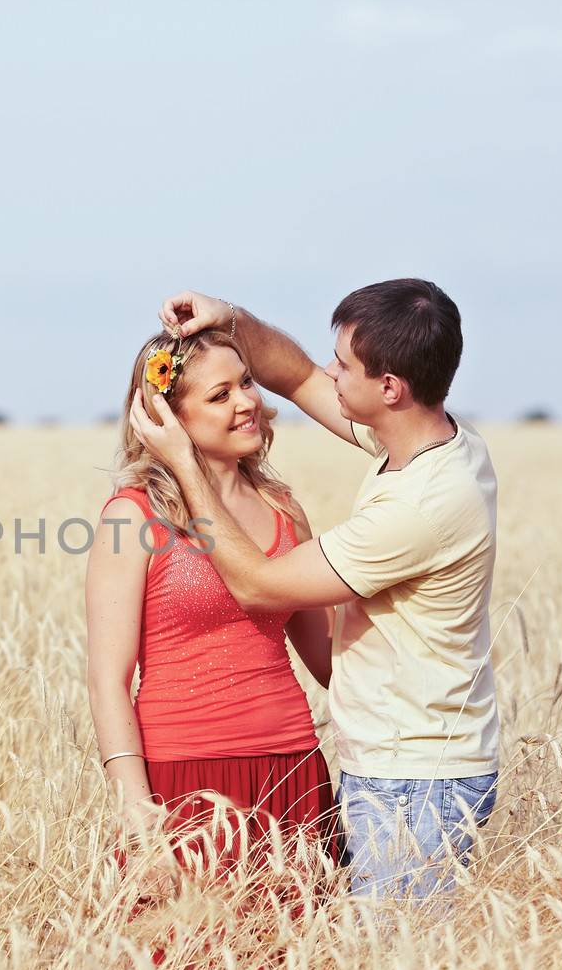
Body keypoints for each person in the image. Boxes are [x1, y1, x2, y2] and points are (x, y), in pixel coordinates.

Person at [128, 280, 499, 900]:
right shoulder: (425, 441)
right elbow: (297, 376)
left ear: (389, 388)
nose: (329, 372)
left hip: (414, 778)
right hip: (396, 766)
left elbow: (258, 584)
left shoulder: (423, 505)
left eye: (345, 364)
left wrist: (185, 465)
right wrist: (230, 318)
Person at [84, 324, 343, 918]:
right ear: (164, 416)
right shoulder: (134, 517)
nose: (248, 401)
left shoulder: (284, 511)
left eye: (247, 382)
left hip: (292, 776)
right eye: (219, 395)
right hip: (184, 782)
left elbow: (327, 661)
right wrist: (135, 807)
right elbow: (107, 679)